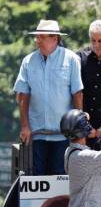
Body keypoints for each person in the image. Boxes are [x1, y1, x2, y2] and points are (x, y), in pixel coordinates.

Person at [14, 19, 84, 175]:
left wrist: (79, 129)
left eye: (41, 37)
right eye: (36, 37)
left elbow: (77, 94)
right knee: (37, 179)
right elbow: (23, 96)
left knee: (59, 179)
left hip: (63, 136)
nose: (36, 41)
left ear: (54, 38)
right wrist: (25, 126)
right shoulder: (28, 61)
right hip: (37, 134)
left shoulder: (71, 59)